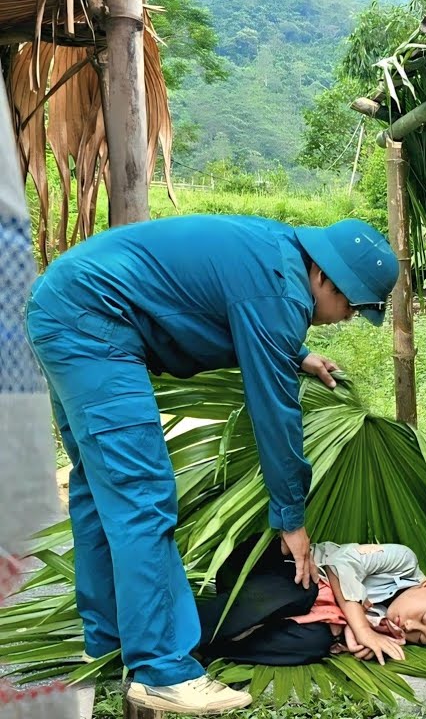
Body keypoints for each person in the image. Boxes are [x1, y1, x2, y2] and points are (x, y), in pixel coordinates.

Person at [24, 214, 400, 714]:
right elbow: (276, 413)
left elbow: (244, 307)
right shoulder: (280, 291)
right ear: (325, 278)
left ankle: (111, 640)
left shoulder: (278, 257)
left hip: (66, 306)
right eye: (351, 306)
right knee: (143, 496)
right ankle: (162, 669)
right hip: (95, 325)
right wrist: (291, 517)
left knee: (102, 491)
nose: (347, 318)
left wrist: (301, 353)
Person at [196, 536, 426, 667]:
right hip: (266, 566)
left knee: (314, 643)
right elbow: (340, 565)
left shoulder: (386, 628)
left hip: (263, 608)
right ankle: (179, 636)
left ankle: (213, 649)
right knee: (305, 590)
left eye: (420, 638)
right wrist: (360, 626)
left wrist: (354, 641)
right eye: (422, 617)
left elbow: (333, 623)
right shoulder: (403, 561)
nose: (408, 627)